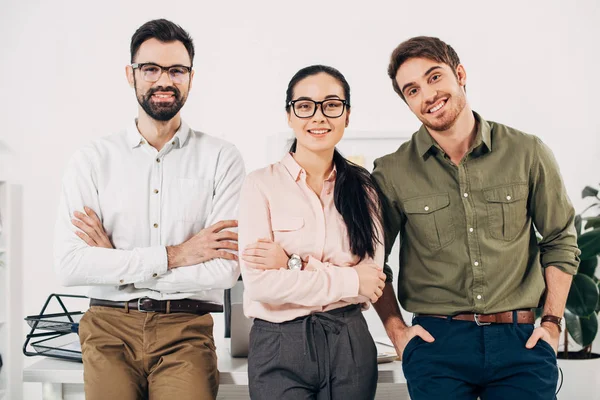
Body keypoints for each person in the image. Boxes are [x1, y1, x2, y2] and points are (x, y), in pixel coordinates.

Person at [371, 36, 580, 400]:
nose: (428, 95)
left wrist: (551, 323)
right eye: (413, 90)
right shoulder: (391, 172)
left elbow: (560, 238)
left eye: (434, 77)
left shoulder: (526, 152)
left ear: (460, 74)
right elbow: (372, 262)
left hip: (522, 342)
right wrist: (396, 330)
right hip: (438, 345)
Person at [53, 19, 245, 400]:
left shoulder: (221, 158)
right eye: (151, 69)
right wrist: (177, 255)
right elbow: (70, 266)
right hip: (107, 326)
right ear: (131, 74)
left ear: (191, 77)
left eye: (176, 70)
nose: (164, 80)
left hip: (185, 329)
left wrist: (116, 265)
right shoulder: (91, 160)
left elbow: (224, 270)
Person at [238, 65, 386, 400]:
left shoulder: (365, 189)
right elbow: (261, 285)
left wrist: (293, 264)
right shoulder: (260, 185)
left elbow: (372, 282)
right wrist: (349, 279)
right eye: (305, 106)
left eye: (332, 105)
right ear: (289, 116)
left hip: (350, 343)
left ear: (346, 116)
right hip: (278, 344)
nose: (318, 117)